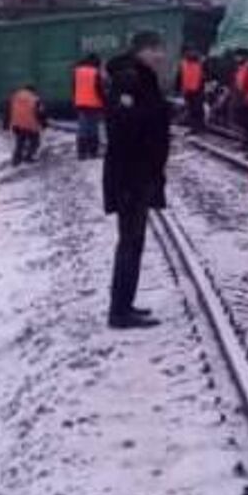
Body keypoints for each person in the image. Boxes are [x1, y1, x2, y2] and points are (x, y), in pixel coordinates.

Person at [102, 30, 172, 330]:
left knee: (134, 242)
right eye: (157, 50)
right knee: (130, 242)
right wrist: (161, 112)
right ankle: (119, 312)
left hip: (136, 173)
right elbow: (123, 123)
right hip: (130, 174)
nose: (161, 56)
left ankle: (125, 305)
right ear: (143, 51)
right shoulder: (129, 78)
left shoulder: (137, 76)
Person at [73, 53, 106, 160]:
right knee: (93, 128)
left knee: (82, 129)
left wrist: (76, 100)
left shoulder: (77, 71)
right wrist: (105, 101)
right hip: (94, 104)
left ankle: (81, 153)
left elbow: (74, 87)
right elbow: (99, 89)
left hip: (81, 103)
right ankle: (93, 152)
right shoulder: (94, 72)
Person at [7, 83, 41, 166]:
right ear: (32, 91)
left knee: (20, 142)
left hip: (17, 124)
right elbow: (40, 112)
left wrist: (7, 123)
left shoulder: (15, 96)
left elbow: (8, 110)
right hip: (30, 124)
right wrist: (44, 124)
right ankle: (28, 157)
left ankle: (15, 161)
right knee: (35, 141)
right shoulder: (35, 98)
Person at [179, 49, 207, 129]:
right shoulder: (183, 63)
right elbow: (181, 76)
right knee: (190, 109)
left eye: (191, 52)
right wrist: (182, 89)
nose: (189, 53)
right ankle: (193, 126)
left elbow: (206, 76)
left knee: (197, 108)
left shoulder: (201, 63)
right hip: (187, 90)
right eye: (187, 52)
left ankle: (199, 125)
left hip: (198, 90)